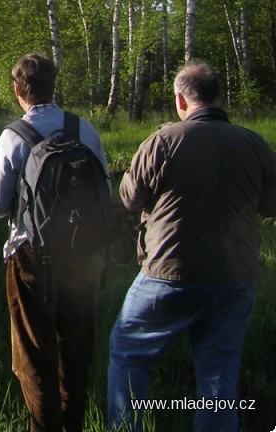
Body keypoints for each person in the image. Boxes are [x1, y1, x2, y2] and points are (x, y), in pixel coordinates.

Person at [107, 61, 276, 432]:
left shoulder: (163, 140)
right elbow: (270, 205)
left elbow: (130, 198)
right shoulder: (255, 144)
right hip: (235, 277)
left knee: (129, 353)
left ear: (181, 101)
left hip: (168, 274)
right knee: (219, 375)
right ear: (219, 98)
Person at [0, 53, 108, 432]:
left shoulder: (14, 136)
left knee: (34, 355)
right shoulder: (83, 129)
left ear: (18, 90)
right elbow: (103, 188)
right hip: (81, 254)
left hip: (31, 259)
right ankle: (74, 424)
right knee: (76, 347)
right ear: (54, 85)